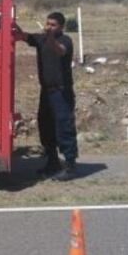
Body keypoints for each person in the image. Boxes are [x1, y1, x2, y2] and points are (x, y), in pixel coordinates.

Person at [13, 12, 79, 181]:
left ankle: (70, 166)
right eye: (48, 24)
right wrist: (15, 28)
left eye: (53, 25)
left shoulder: (65, 41)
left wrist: (50, 38)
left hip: (61, 92)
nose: (49, 27)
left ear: (61, 27)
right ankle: (53, 162)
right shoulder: (42, 39)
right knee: (46, 126)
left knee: (64, 127)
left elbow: (59, 51)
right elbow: (24, 36)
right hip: (47, 91)